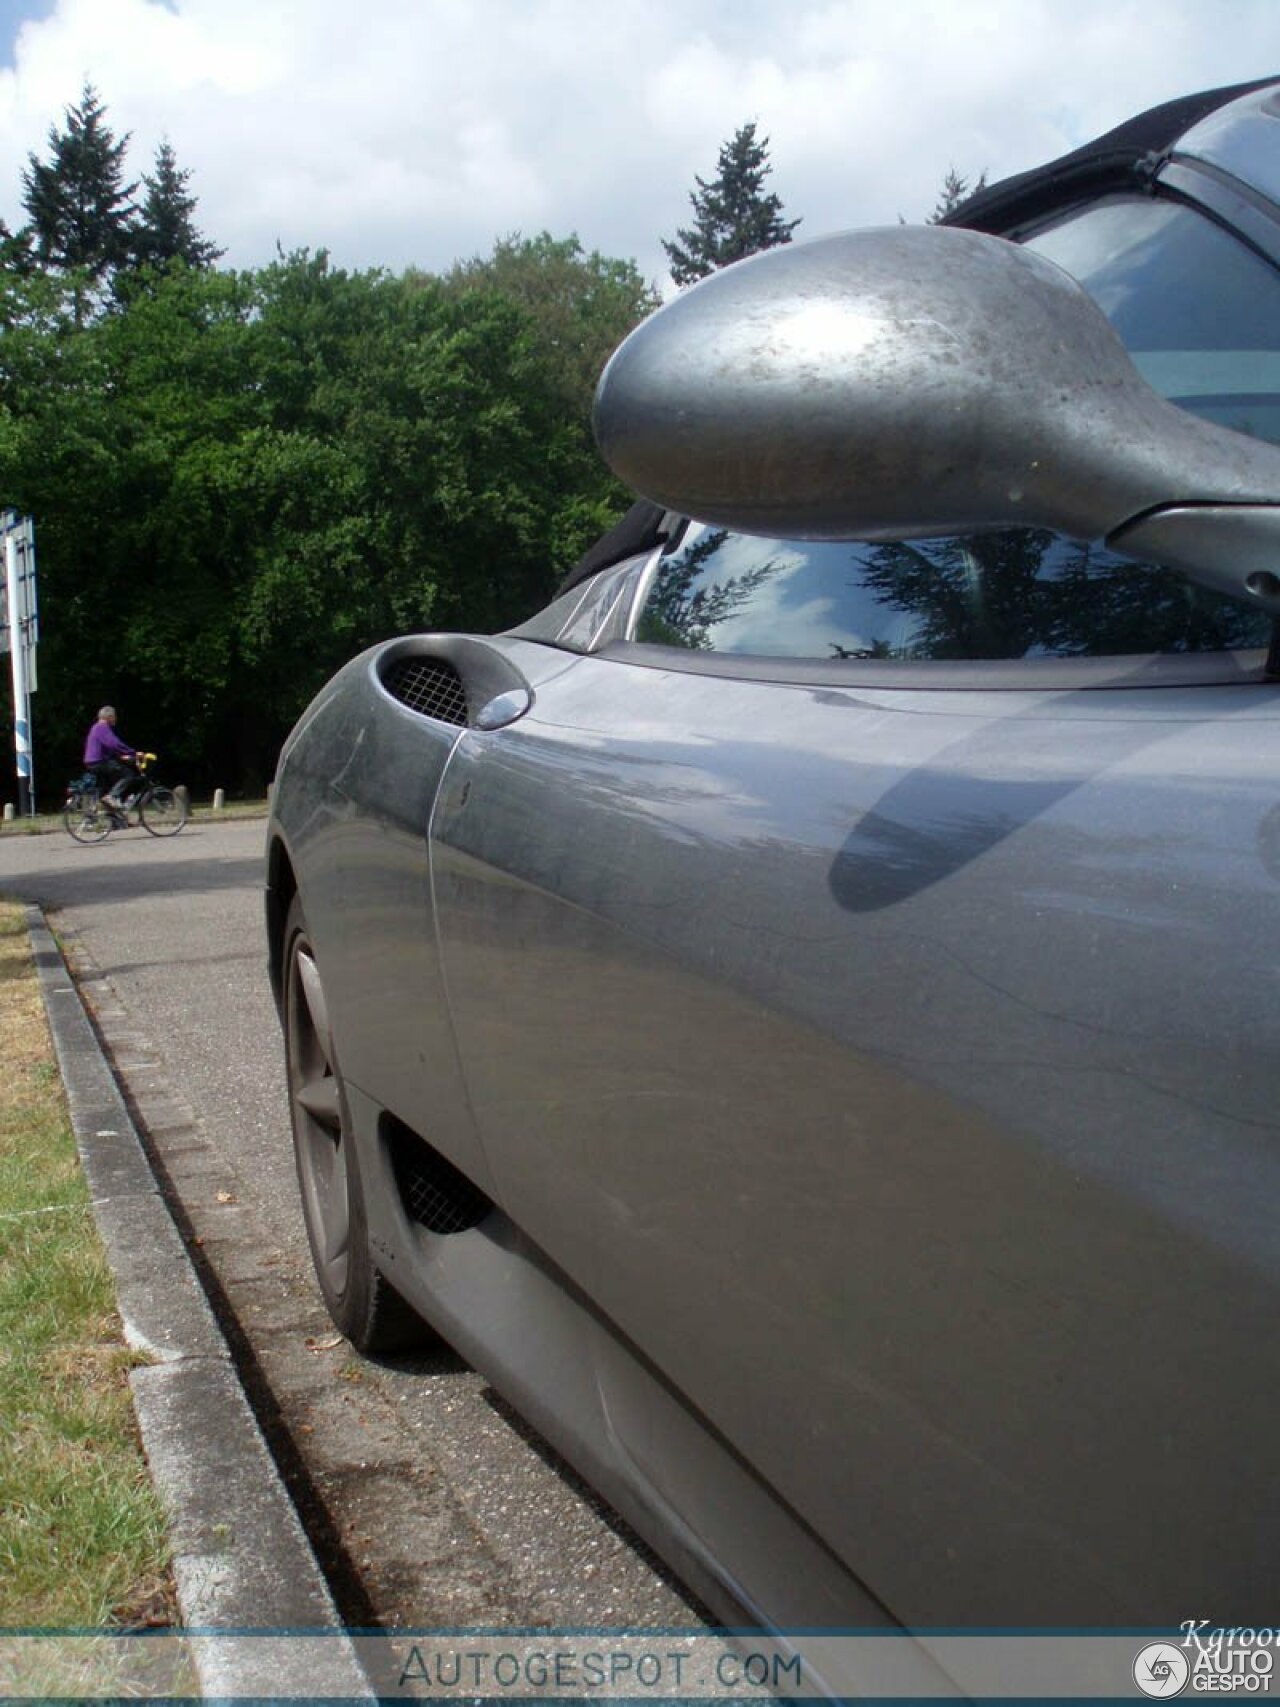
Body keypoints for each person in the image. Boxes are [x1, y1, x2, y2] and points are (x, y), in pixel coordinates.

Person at [83, 706, 141, 812]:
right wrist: (132, 752)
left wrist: (121, 756)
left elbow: (107, 747)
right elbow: (113, 743)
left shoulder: (96, 727)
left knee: (104, 788)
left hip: (91, 762)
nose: (115, 719)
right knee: (127, 774)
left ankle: (102, 817)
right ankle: (113, 797)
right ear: (109, 717)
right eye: (114, 716)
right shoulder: (102, 727)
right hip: (99, 762)